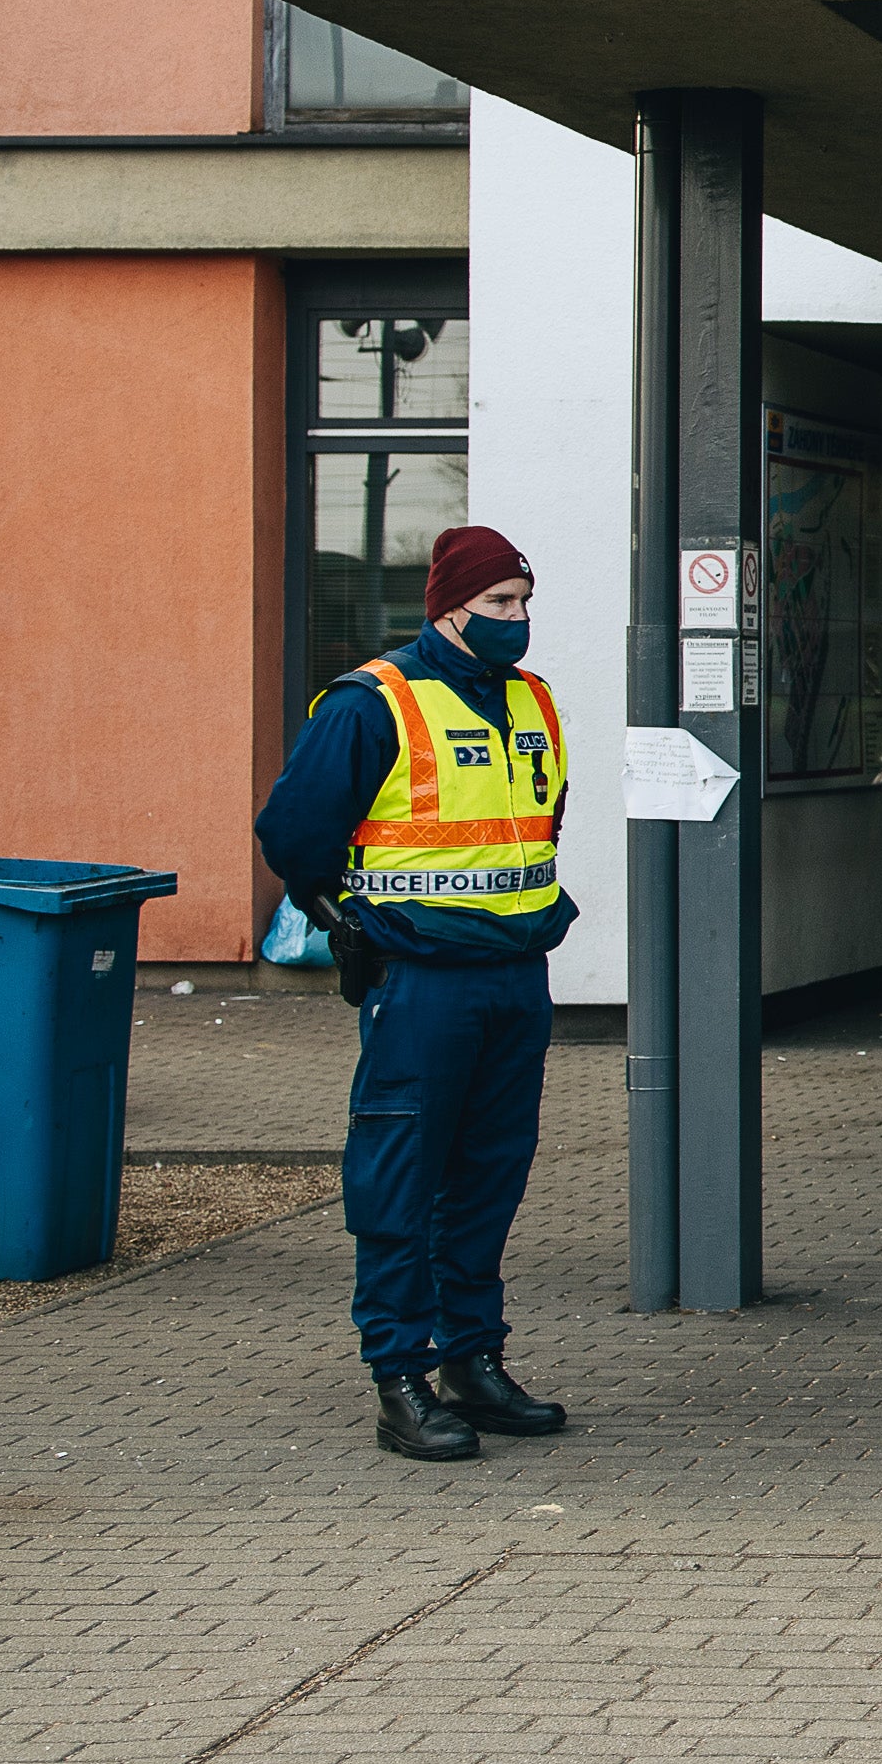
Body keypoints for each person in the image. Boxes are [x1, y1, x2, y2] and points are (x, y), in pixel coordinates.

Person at [254, 524, 579, 1465]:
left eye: (525, 602)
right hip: (423, 982)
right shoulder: (374, 703)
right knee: (400, 1180)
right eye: (501, 606)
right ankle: (400, 1376)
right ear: (448, 608)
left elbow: (539, 821)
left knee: (489, 1177)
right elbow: (294, 831)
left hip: (517, 976)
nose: (519, 621)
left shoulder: (535, 703)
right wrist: (346, 916)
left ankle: (473, 1359)